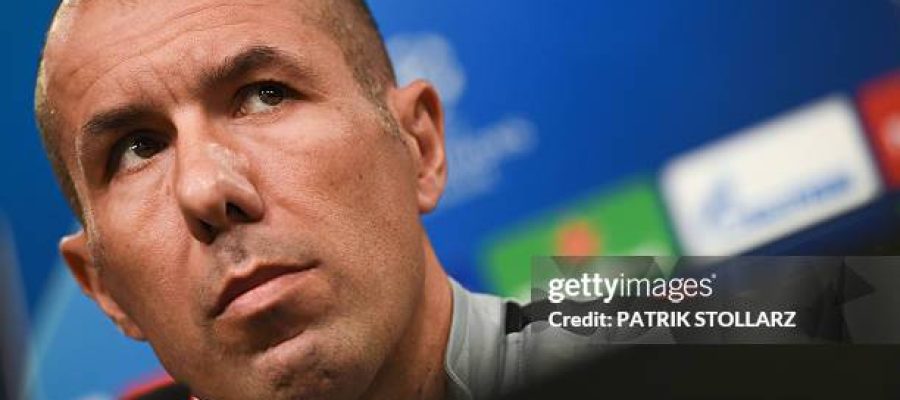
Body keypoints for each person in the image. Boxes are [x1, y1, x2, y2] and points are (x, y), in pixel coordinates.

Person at [34, 1, 588, 399]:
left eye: (264, 95)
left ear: (419, 146)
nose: (203, 188)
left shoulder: (660, 355)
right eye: (138, 149)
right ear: (103, 288)